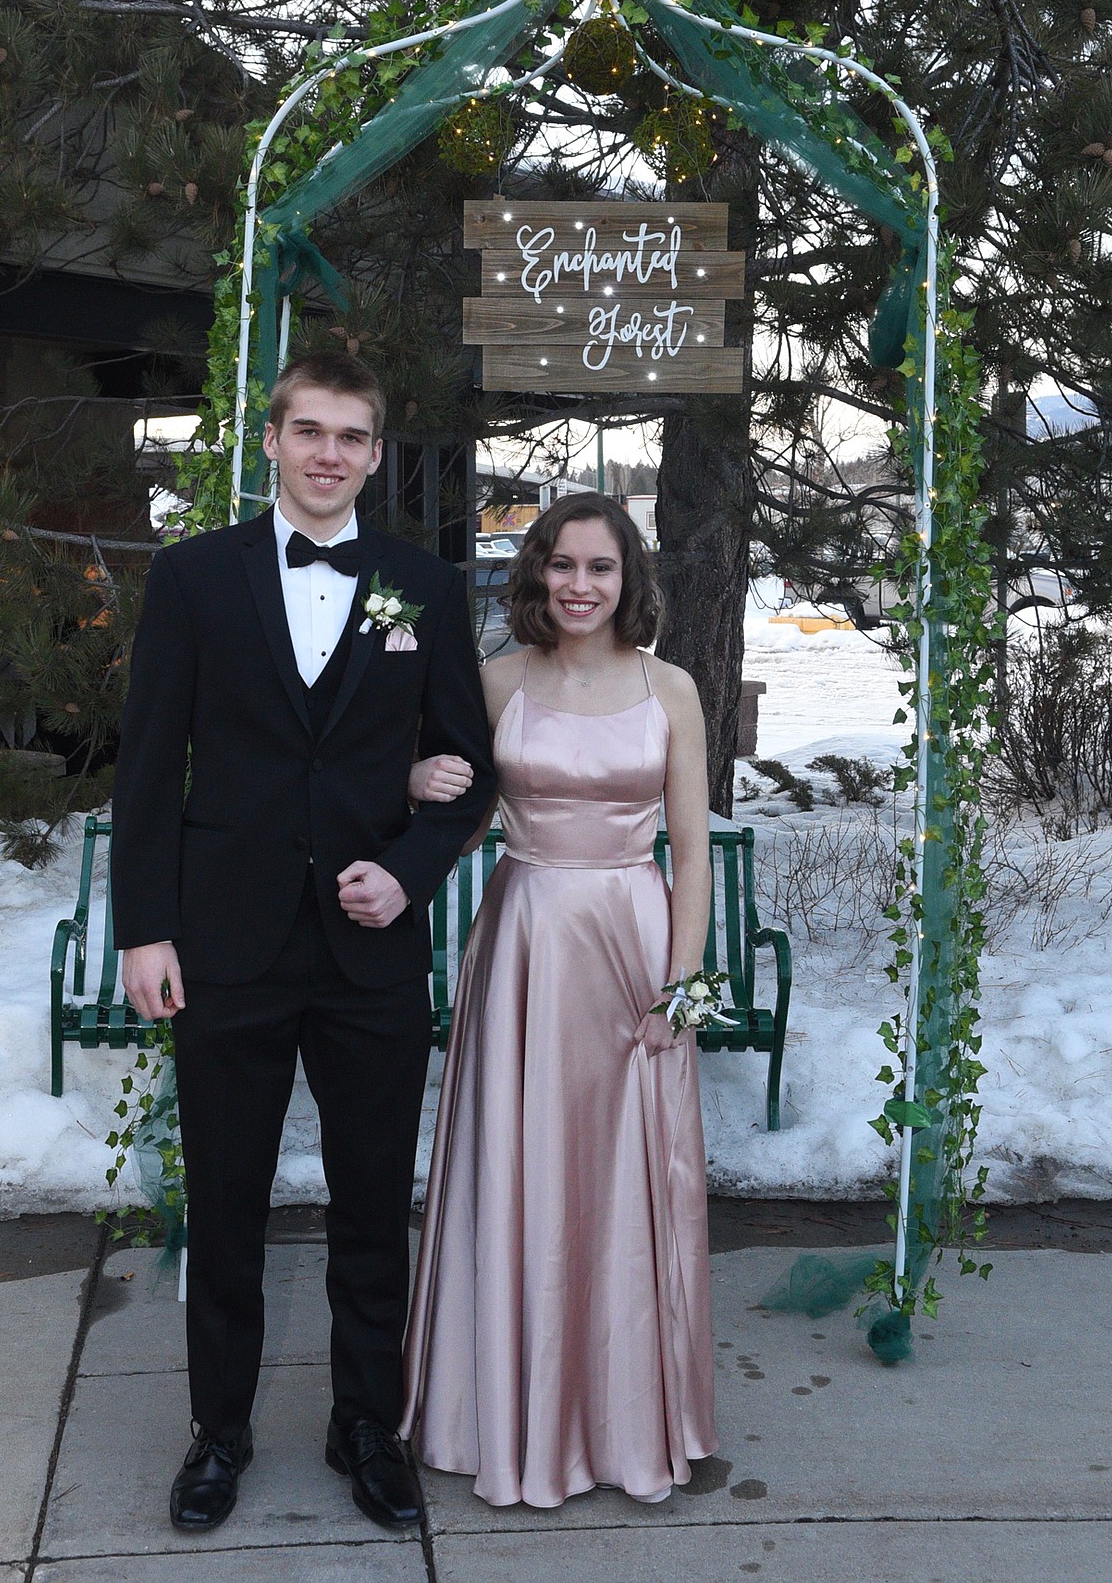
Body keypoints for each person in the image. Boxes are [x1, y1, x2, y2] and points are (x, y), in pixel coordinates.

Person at [111, 351, 495, 1535]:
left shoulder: (421, 585)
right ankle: (217, 1432)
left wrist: (415, 865)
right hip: (225, 943)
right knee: (225, 1202)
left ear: (377, 456)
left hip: (368, 957)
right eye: (310, 430)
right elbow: (146, 771)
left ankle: (364, 1425)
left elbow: (469, 775)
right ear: (270, 440)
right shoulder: (191, 580)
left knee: (373, 1199)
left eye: (353, 436)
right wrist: (145, 931)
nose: (330, 452)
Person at [400, 493, 718, 1508]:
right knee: (521, 1169)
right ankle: (503, 1411)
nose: (581, 585)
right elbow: (432, 798)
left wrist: (687, 986)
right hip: (527, 941)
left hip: (633, 940)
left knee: (623, 1180)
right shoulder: (497, 683)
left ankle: (625, 1419)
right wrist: (414, 774)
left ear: (631, 581)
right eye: (563, 565)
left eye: (602, 568)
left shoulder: (671, 689)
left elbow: (695, 849)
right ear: (537, 573)